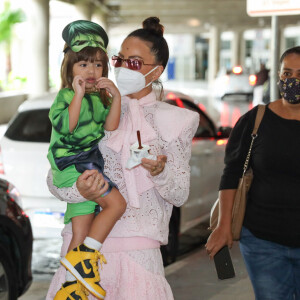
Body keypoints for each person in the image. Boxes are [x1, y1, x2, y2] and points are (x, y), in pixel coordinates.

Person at [46, 16, 199, 300]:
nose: (122, 67)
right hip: (78, 254)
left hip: (138, 258)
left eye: (134, 62)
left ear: (156, 71)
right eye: (120, 59)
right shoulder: (91, 104)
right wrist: (78, 189)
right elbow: (55, 178)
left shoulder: (176, 120)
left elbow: (179, 194)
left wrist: (160, 171)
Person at [205, 46, 300, 300]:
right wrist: (224, 226)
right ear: (278, 76)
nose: (293, 81)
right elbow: (232, 173)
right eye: (287, 73)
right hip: (263, 242)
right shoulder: (256, 120)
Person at [47, 20, 127, 299]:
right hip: (72, 165)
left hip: (89, 163)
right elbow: (67, 126)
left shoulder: (101, 97)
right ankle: (87, 256)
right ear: (69, 69)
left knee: (79, 232)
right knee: (117, 203)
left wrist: (115, 95)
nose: (91, 71)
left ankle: (71, 289)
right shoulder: (66, 96)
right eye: (83, 65)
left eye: (97, 64)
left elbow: (111, 127)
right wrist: (78, 94)